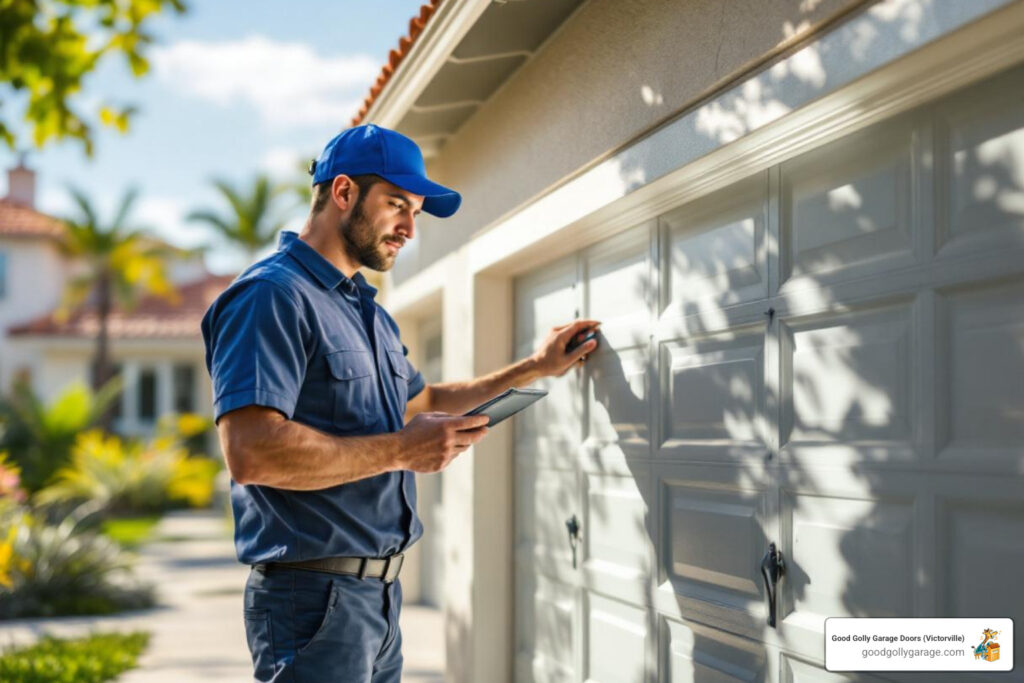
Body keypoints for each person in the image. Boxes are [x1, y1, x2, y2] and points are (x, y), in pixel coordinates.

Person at [200, 123, 599, 682]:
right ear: (342, 194)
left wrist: (535, 366)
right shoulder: (271, 296)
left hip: (378, 603)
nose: (410, 228)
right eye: (396, 205)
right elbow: (252, 452)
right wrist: (399, 452)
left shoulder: (369, 312)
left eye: (414, 211)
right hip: (310, 602)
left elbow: (425, 401)